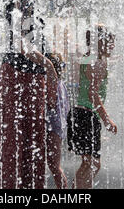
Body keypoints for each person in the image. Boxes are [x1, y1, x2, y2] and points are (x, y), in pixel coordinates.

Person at [0, 0, 62, 189]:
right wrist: (49, 65)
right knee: (22, 143)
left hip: (23, 77)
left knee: (23, 142)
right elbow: (23, 44)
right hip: (22, 79)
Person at [67, 25, 118, 189]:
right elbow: (93, 95)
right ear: (101, 42)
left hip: (79, 114)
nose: (113, 46)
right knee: (92, 164)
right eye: (110, 42)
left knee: (90, 163)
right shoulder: (98, 63)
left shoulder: (88, 58)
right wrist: (107, 119)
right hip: (87, 116)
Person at [45, 52, 70, 189]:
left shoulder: (53, 84)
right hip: (57, 127)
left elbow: (50, 102)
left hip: (52, 127)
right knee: (53, 165)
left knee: (54, 165)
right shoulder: (61, 84)